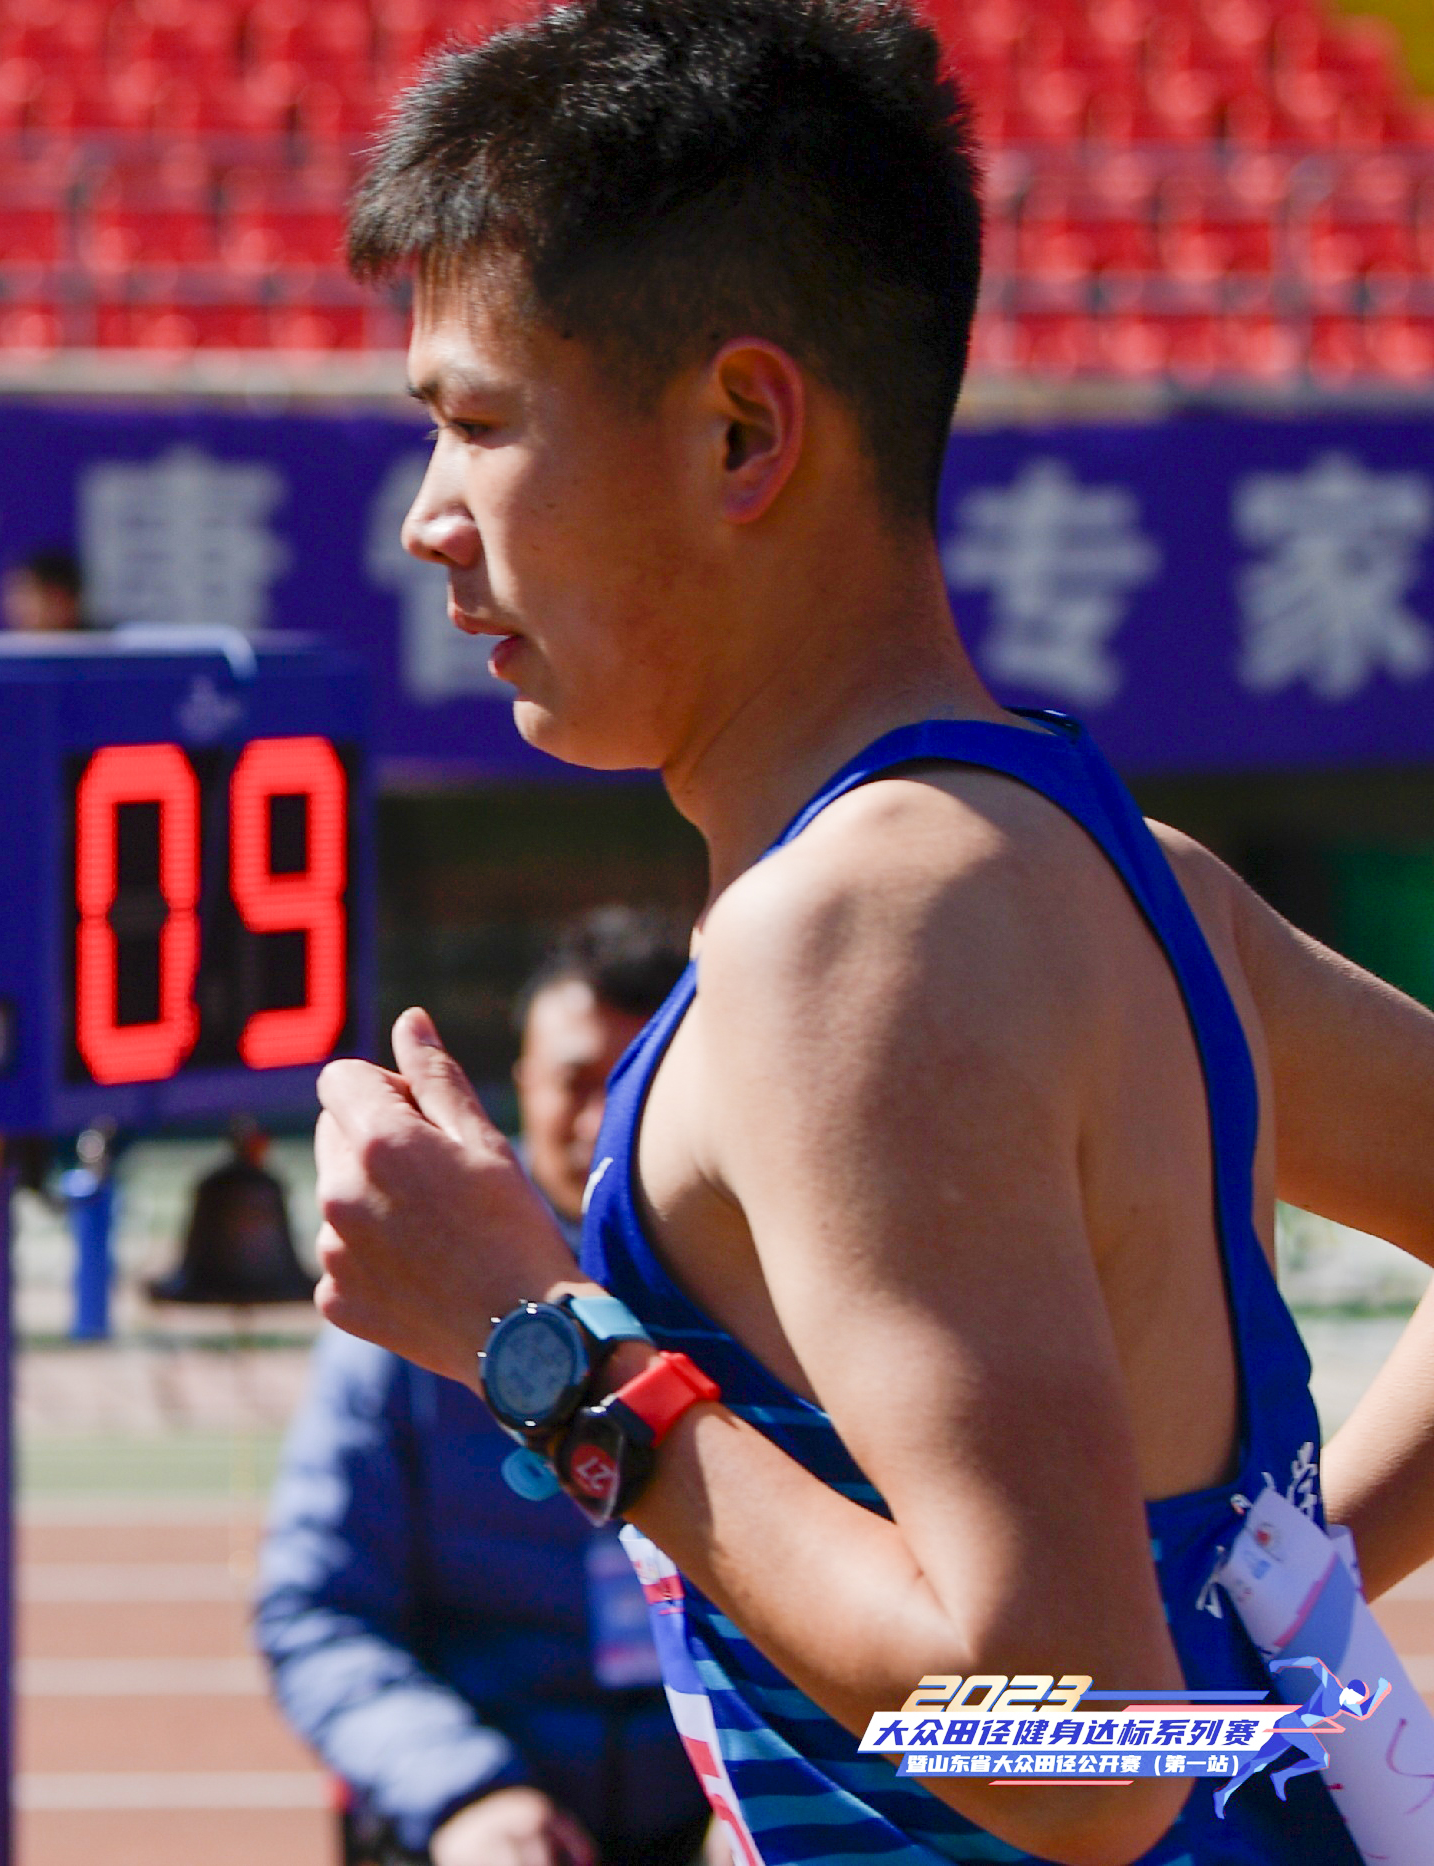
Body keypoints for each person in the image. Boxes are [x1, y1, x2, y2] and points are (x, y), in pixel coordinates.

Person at [306, 5, 1433, 1864]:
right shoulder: (1124, 874)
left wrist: (546, 1349)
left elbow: (1087, 1750)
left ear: (743, 430)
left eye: (479, 423)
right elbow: (1131, 1710)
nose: (429, 517)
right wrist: (1275, 1626)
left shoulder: (851, 942)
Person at [258, 909, 703, 1866]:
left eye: (638, 1082)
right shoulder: (412, 1314)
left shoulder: (759, 1310)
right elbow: (317, 1607)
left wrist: (757, 1785)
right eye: (575, 1082)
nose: (601, 1120)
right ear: (521, 1085)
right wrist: (465, 1794)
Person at [0, 544, 89, 634]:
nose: (13, 608)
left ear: (58, 599)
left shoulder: (94, 639)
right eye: (11, 596)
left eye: (24, 595)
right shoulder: (9, 640)